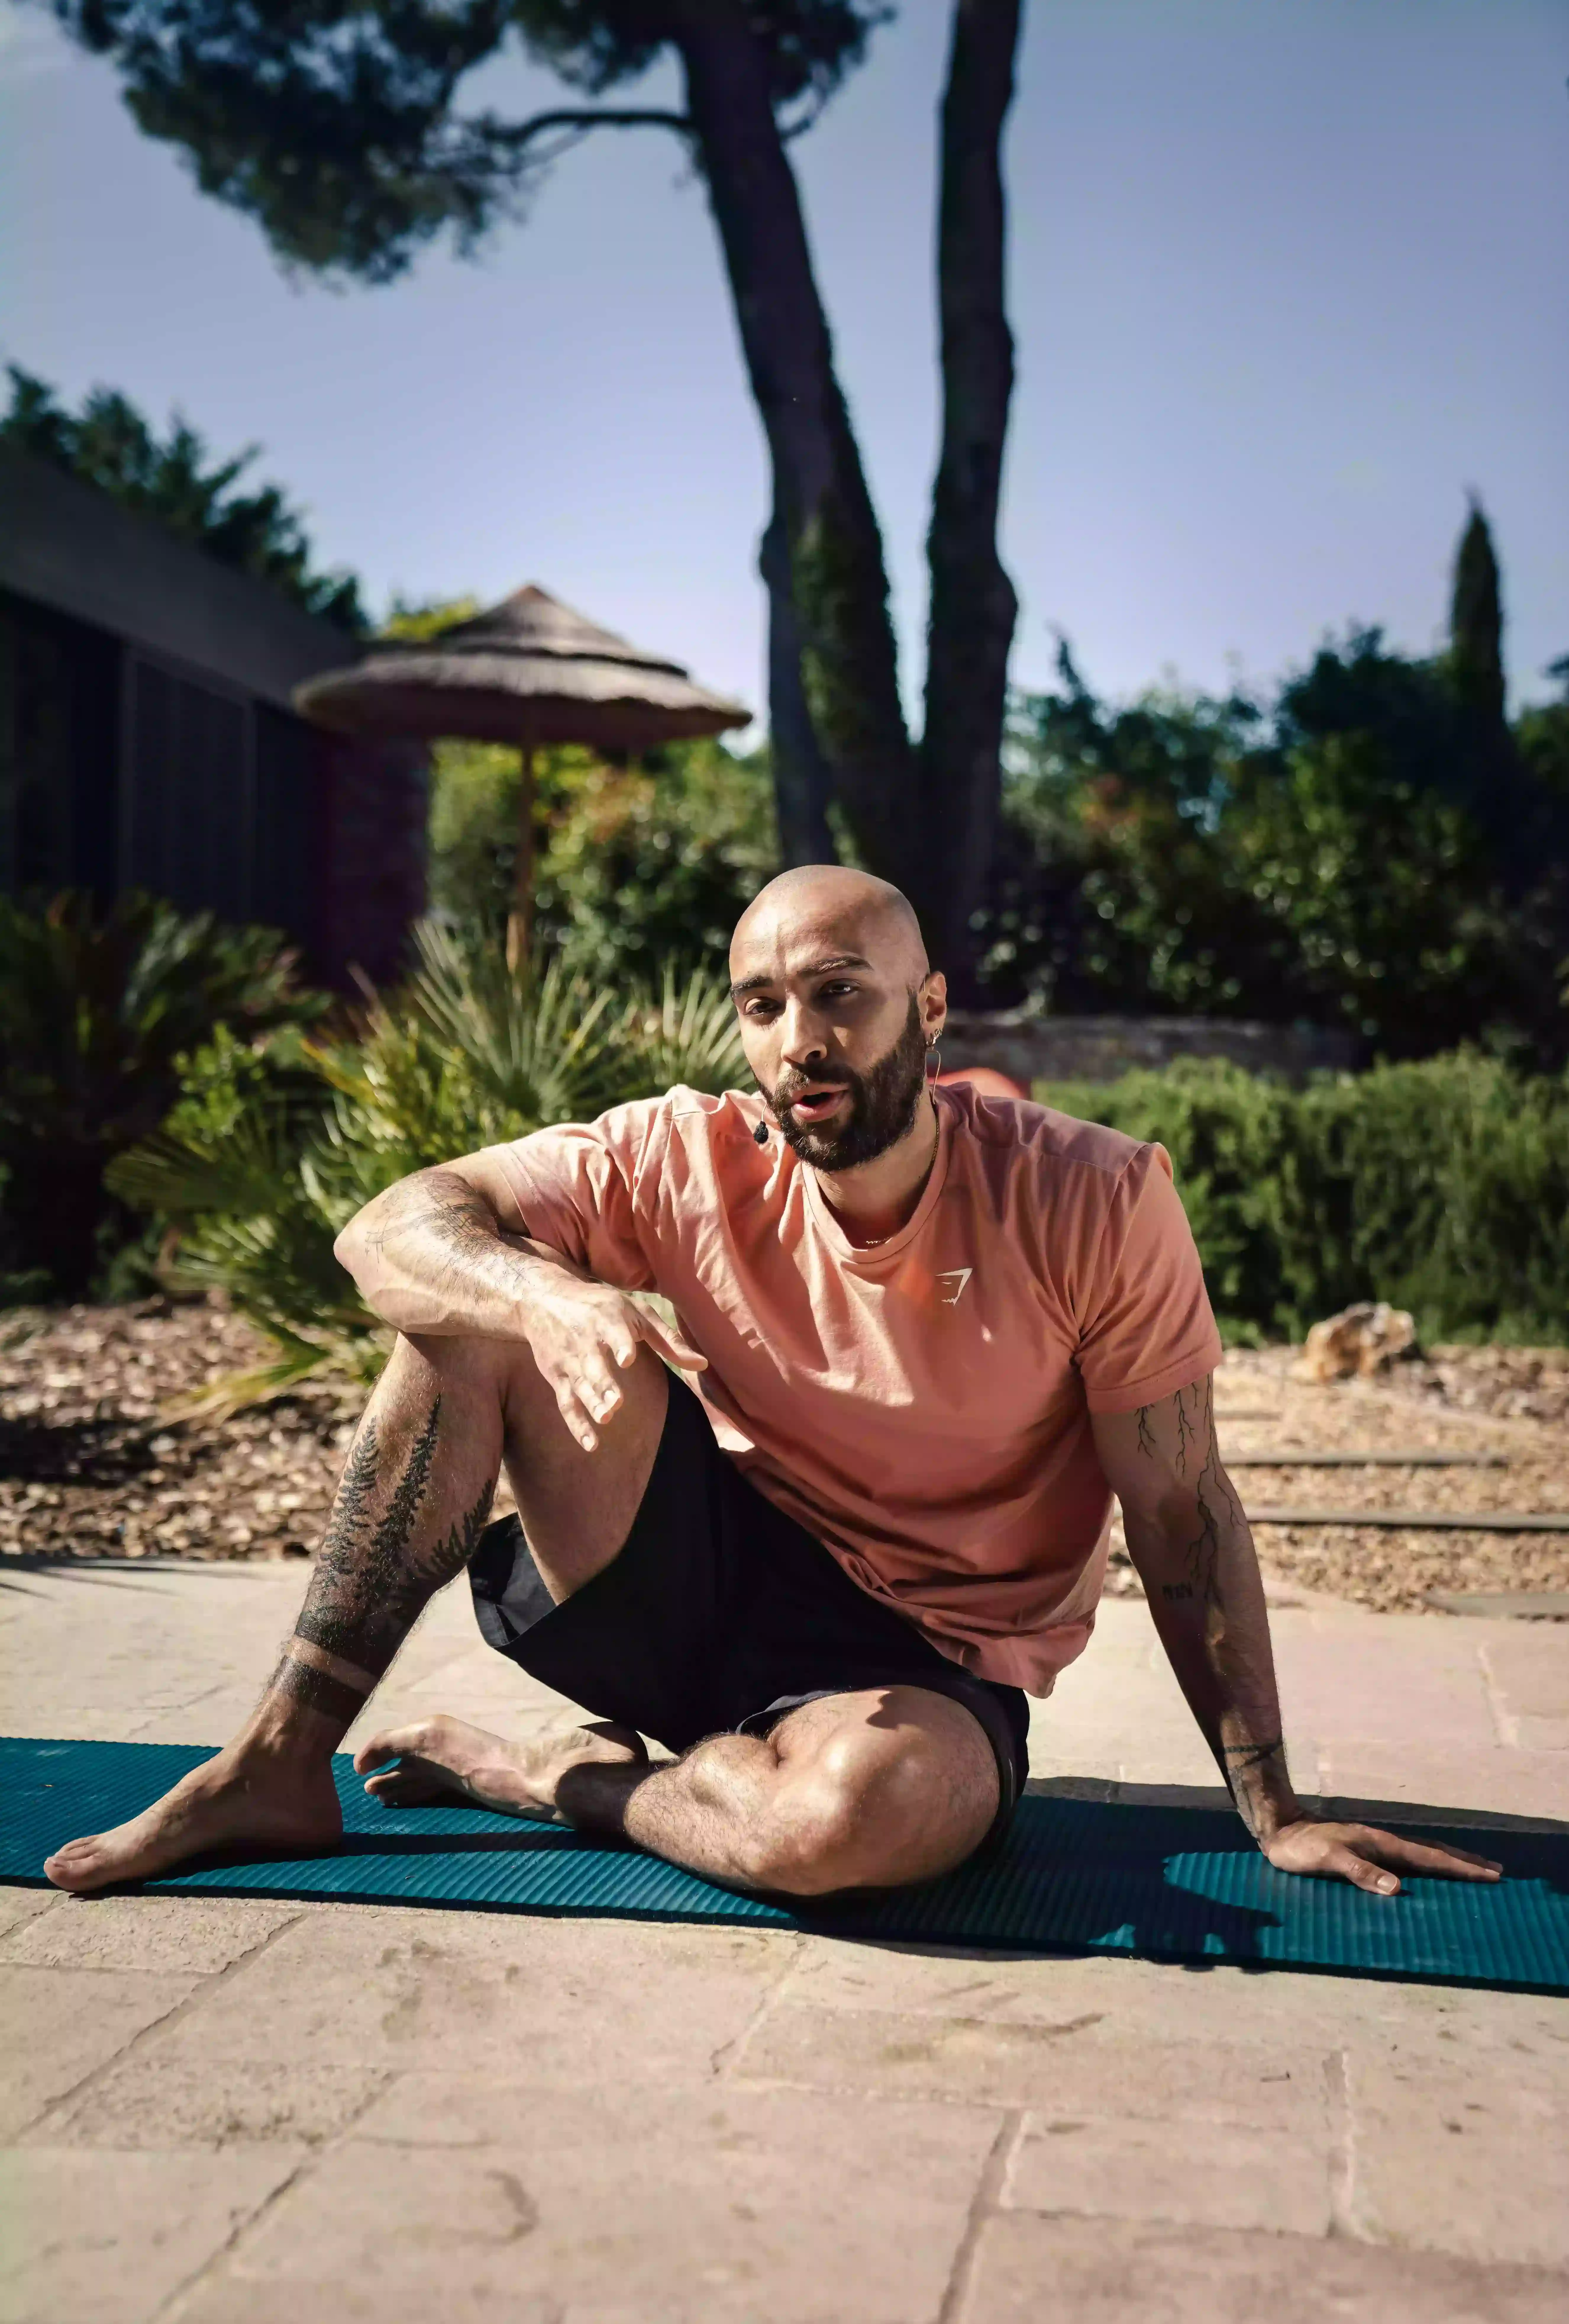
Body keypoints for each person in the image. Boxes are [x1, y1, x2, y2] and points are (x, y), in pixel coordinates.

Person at [45, 867, 1498, 1902]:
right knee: (463, 1307)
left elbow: (1179, 1510)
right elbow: (386, 1228)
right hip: (689, 1575)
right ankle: (281, 1762)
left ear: (930, 1011)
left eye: (840, 995)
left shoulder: (1091, 1199)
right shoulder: (683, 1153)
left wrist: (1275, 1806)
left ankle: (553, 1775)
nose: (800, 1037)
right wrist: (554, 1294)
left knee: (842, 1832)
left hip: (931, 1661)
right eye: (762, 1003)